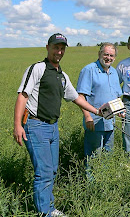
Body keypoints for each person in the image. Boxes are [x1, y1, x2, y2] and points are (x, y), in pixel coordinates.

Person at [13, 33, 102, 217]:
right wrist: (17, 125)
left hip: (53, 127)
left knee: (52, 170)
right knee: (44, 172)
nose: (59, 51)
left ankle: (49, 207)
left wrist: (96, 111)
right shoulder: (38, 68)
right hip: (35, 125)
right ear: (48, 47)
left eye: (62, 48)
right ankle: (45, 212)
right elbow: (23, 95)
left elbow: (76, 97)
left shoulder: (62, 76)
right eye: (56, 47)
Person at [76, 43, 122, 172]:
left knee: (108, 156)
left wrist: (121, 111)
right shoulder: (89, 70)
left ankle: (104, 184)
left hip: (110, 123)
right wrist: (87, 116)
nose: (108, 58)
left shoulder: (114, 72)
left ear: (115, 57)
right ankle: (91, 187)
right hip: (94, 123)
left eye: (111, 55)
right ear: (99, 54)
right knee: (93, 157)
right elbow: (80, 97)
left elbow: (117, 96)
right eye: (105, 54)